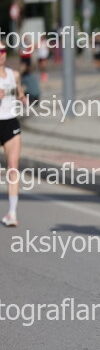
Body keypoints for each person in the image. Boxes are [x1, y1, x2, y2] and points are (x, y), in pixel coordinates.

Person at [0, 40, 28, 226]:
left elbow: (19, 92)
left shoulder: (13, 74)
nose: (1, 54)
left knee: (13, 168)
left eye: (3, 50)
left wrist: (23, 99)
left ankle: (12, 213)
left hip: (10, 123)